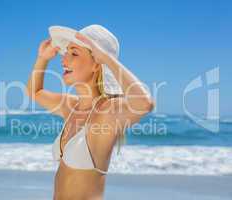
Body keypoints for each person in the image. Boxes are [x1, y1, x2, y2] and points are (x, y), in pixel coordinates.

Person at [26, 24, 155, 200]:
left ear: (96, 64)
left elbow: (145, 103)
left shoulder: (107, 111)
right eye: (66, 53)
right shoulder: (71, 107)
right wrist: (42, 58)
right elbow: (34, 92)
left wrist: (107, 59)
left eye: (74, 53)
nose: (64, 60)